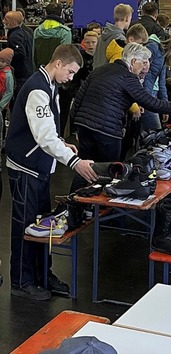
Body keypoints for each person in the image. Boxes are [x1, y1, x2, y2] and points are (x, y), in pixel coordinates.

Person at [5, 44, 98, 301]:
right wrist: (74, 160)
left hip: (38, 167)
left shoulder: (49, 85)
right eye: (70, 72)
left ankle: (42, 275)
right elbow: (44, 136)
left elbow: (48, 132)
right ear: (58, 63)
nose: (70, 77)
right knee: (25, 227)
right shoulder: (37, 89)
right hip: (26, 168)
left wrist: (62, 143)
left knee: (41, 227)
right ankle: (22, 281)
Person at [68, 43, 171, 193]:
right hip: (108, 131)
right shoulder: (128, 77)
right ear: (133, 62)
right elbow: (149, 101)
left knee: (84, 168)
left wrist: (78, 125)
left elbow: (78, 100)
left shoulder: (100, 70)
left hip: (84, 126)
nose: (146, 67)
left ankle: (72, 205)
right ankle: (103, 210)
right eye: (144, 62)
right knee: (110, 171)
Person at [94, 3, 133, 68]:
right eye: (130, 18)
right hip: (107, 75)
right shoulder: (120, 39)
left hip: (96, 74)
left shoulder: (103, 35)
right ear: (127, 18)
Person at [4, 11, 33, 98]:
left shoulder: (14, 37)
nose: (3, 21)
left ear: (12, 22)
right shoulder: (25, 33)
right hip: (28, 70)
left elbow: (20, 53)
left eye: (6, 19)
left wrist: (7, 58)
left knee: (19, 98)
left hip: (20, 74)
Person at [33, 3, 72, 68]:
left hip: (40, 69)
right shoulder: (65, 32)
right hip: (57, 70)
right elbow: (65, 56)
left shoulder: (37, 31)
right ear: (62, 13)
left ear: (45, 13)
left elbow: (33, 55)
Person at [0, 48, 14, 150]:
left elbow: (9, 91)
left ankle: (3, 142)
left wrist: (1, 104)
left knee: (3, 124)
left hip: (2, 105)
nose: (0, 63)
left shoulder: (8, 75)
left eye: (3, 61)